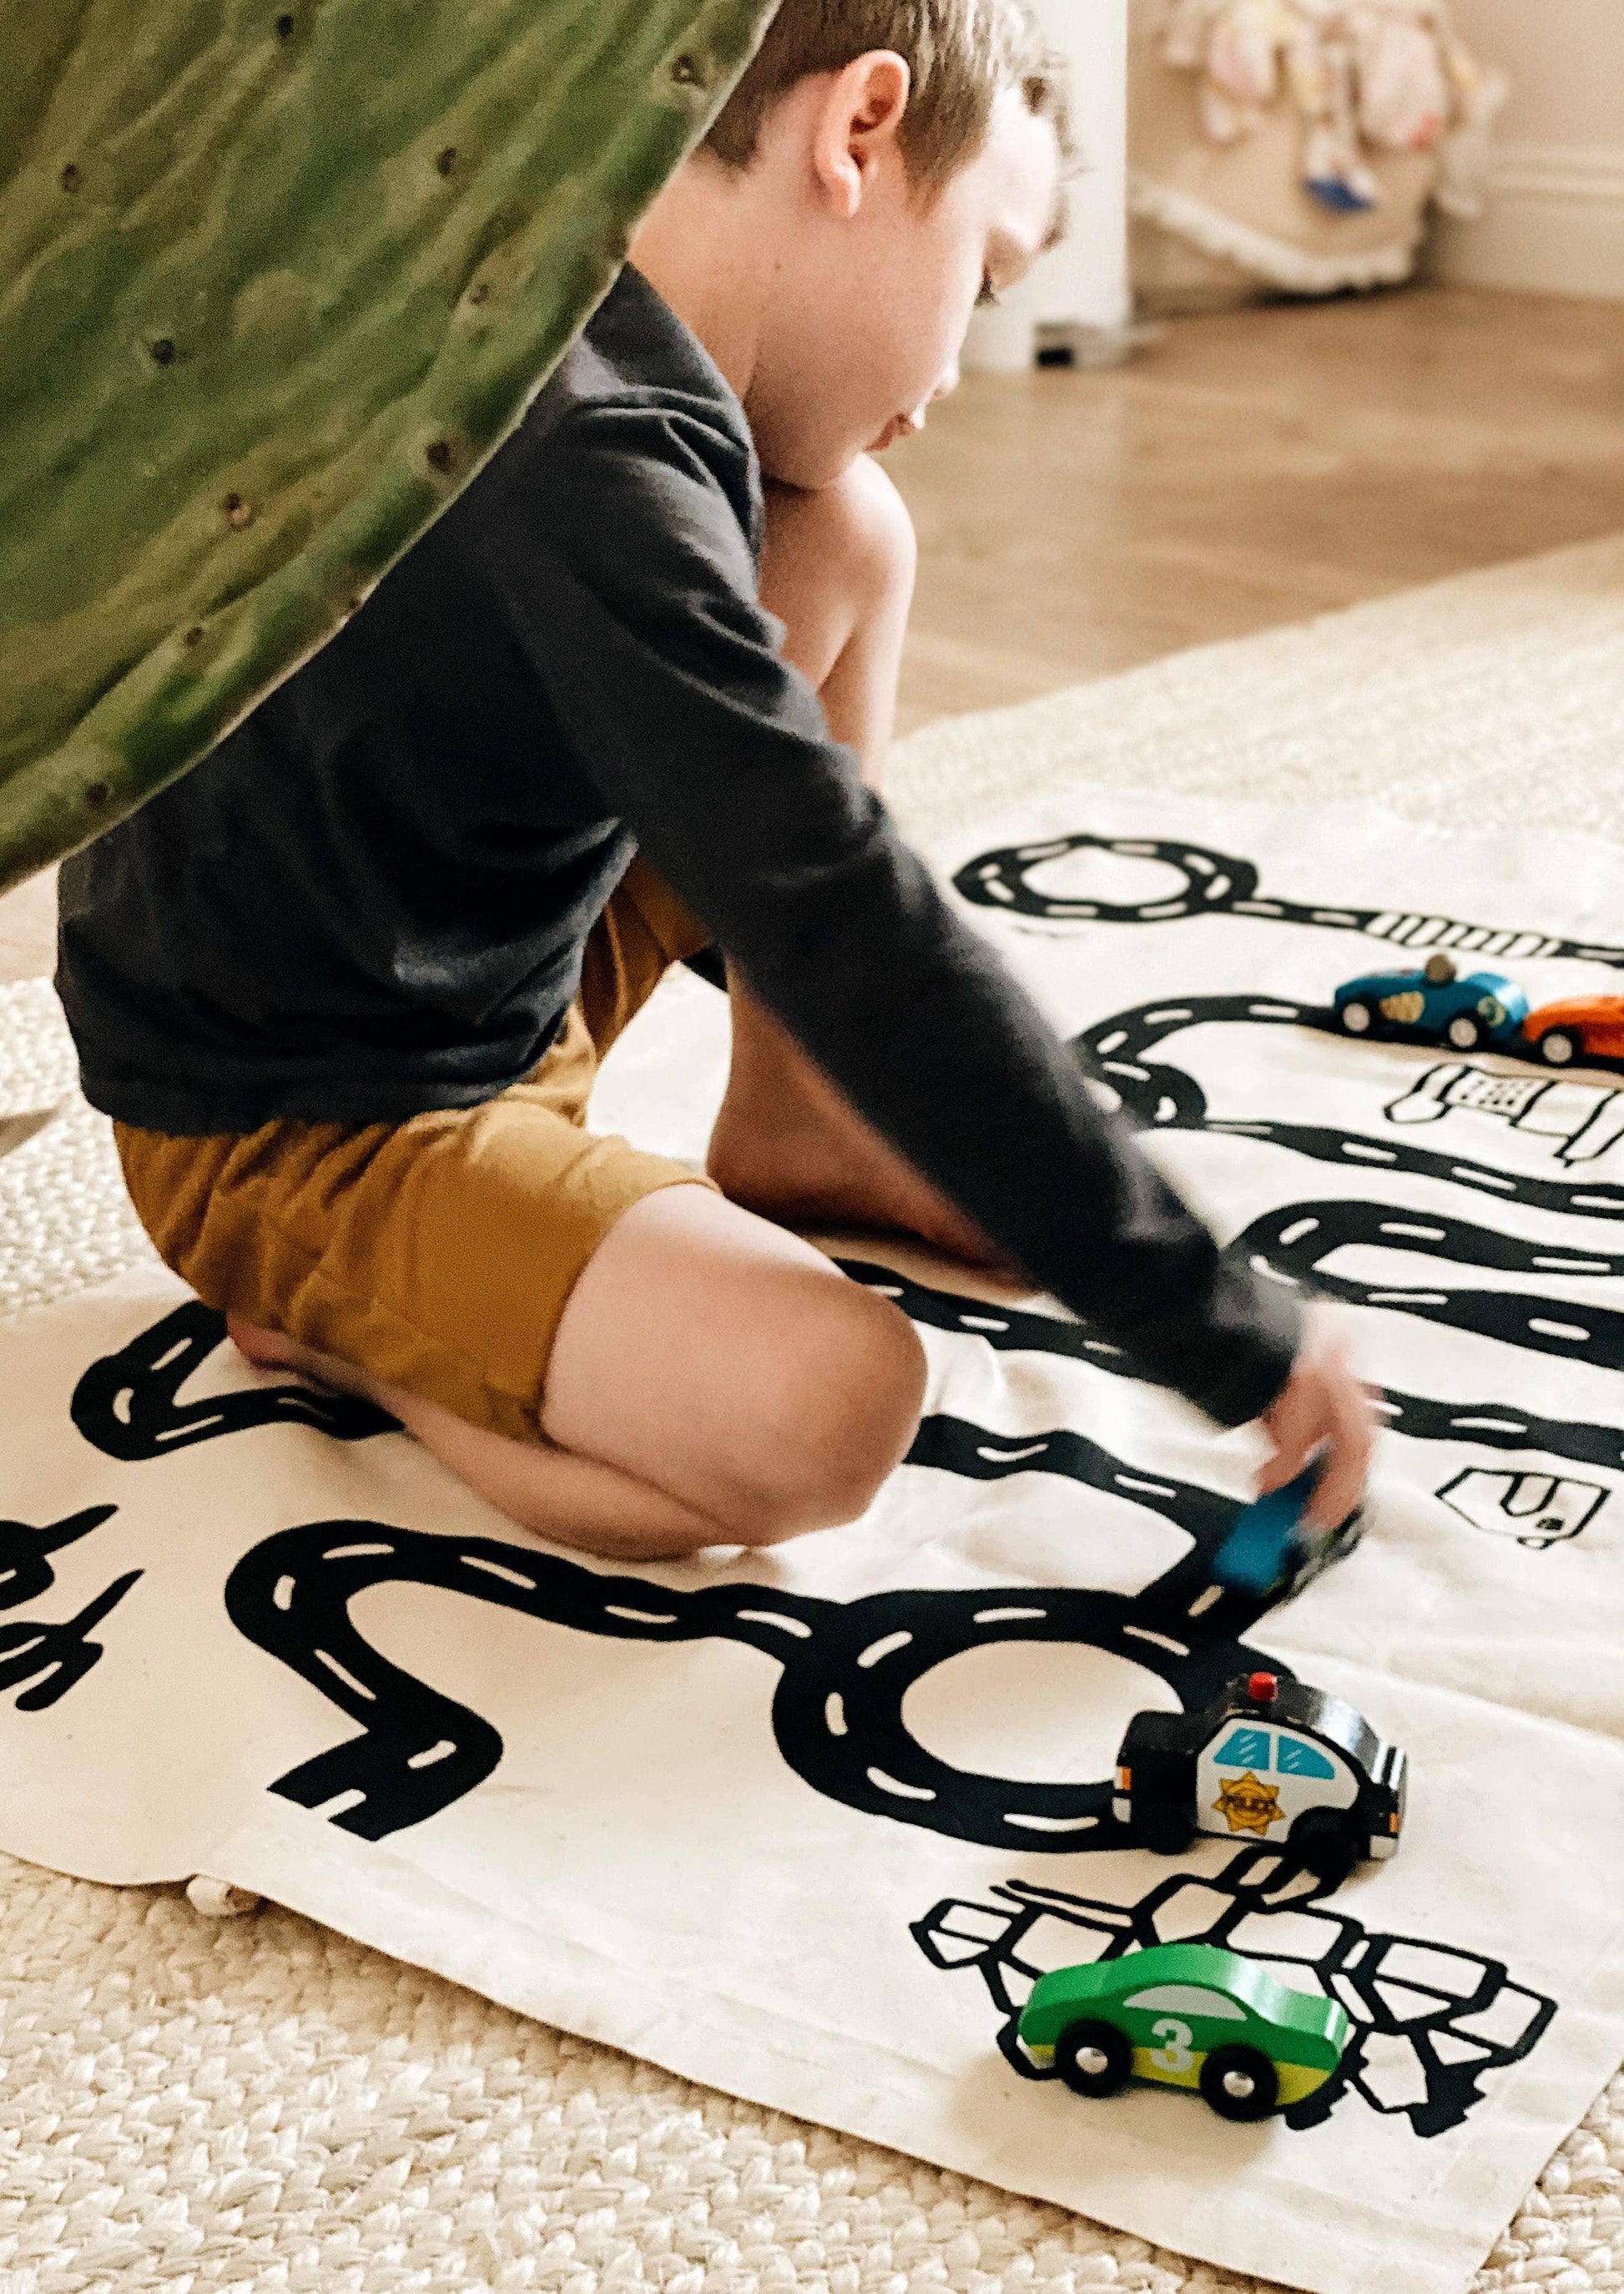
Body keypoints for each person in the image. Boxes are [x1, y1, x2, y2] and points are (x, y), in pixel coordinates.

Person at [56, 0, 1374, 1561]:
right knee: (827, 1407)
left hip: (462, 956)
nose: (953, 369)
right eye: (985, 275)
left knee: (843, 527)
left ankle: (798, 1115)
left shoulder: (575, 308)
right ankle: (341, 1334)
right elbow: (825, 894)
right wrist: (1208, 1318)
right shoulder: (583, 450)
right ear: (858, 132)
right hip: (302, 1123)